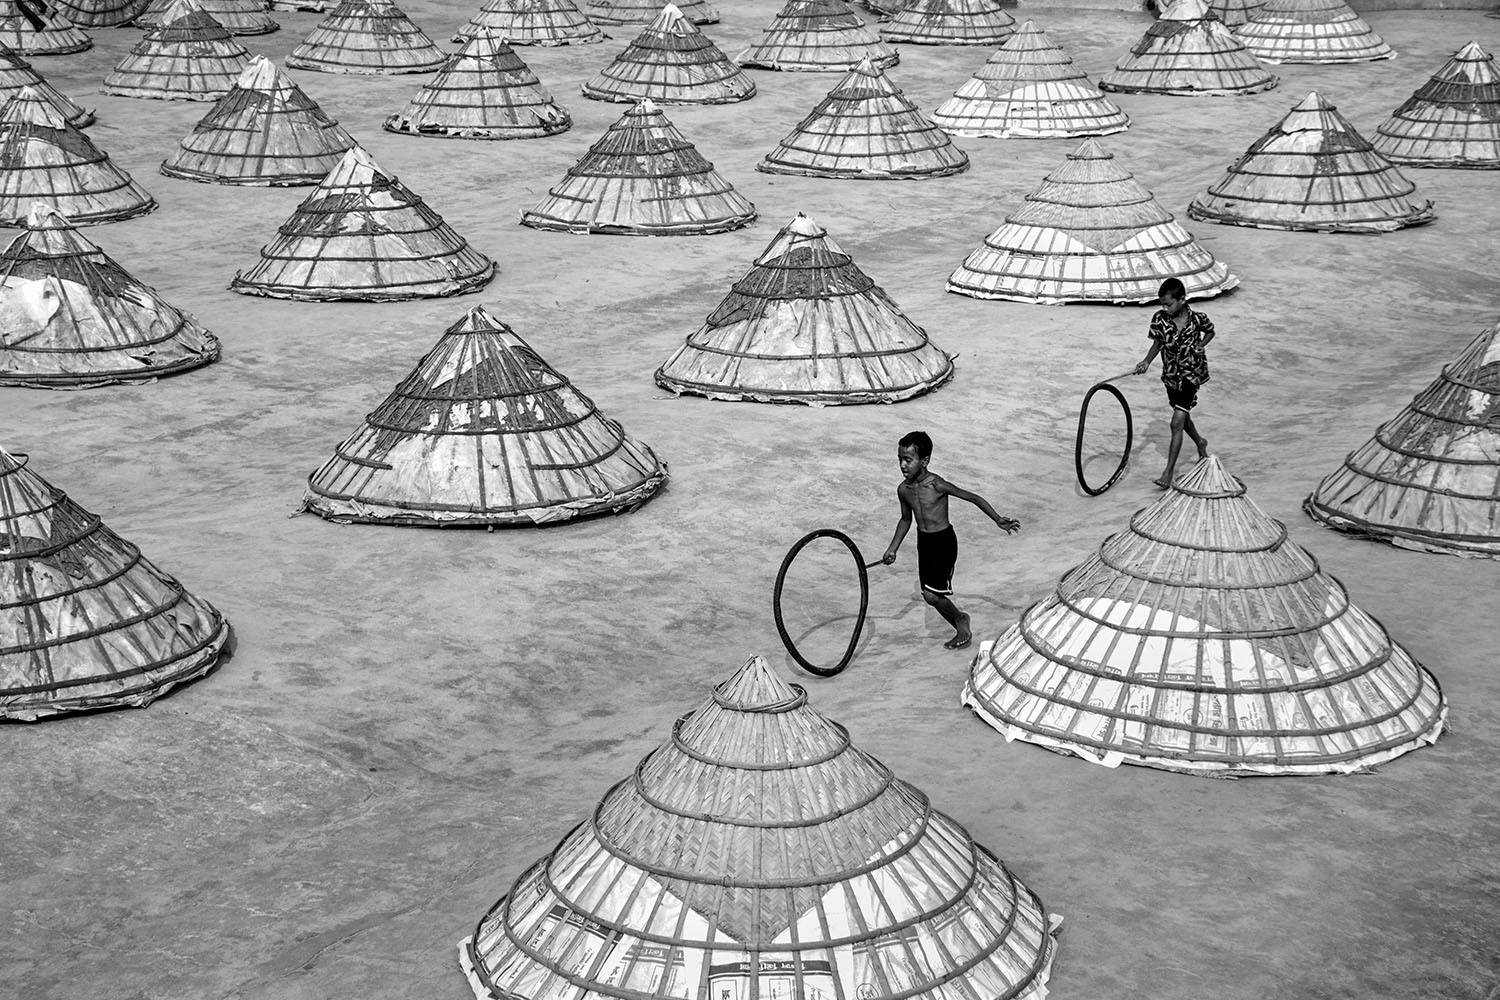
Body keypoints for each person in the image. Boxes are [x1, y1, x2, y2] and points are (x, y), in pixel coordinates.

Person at [881, 431, 1020, 650]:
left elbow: (972, 497)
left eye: (908, 460)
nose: (902, 465)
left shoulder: (936, 484)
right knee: (929, 595)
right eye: (900, 459)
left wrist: (997, 519)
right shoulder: (903, 490)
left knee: (932, 595)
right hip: (924, 543)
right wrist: (893, 548)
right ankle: (960, 619)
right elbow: (906, 519)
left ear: (925, 461)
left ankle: (961, 621)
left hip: (943, 542)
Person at [1132, 277, 1214, 489]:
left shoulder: (1197, 319)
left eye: (1168, 304)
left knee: (1176, 422)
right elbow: (1158, 343)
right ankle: (1200, 442)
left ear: (1182, 300)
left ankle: (1168, 473)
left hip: (1191, 374)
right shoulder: (1159, 320)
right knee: (1183, 417)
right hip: (1171, 376)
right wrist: (1146, 362)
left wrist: (1201, 345)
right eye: (1162, 304)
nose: (1165, 308)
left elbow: (1210, 331)